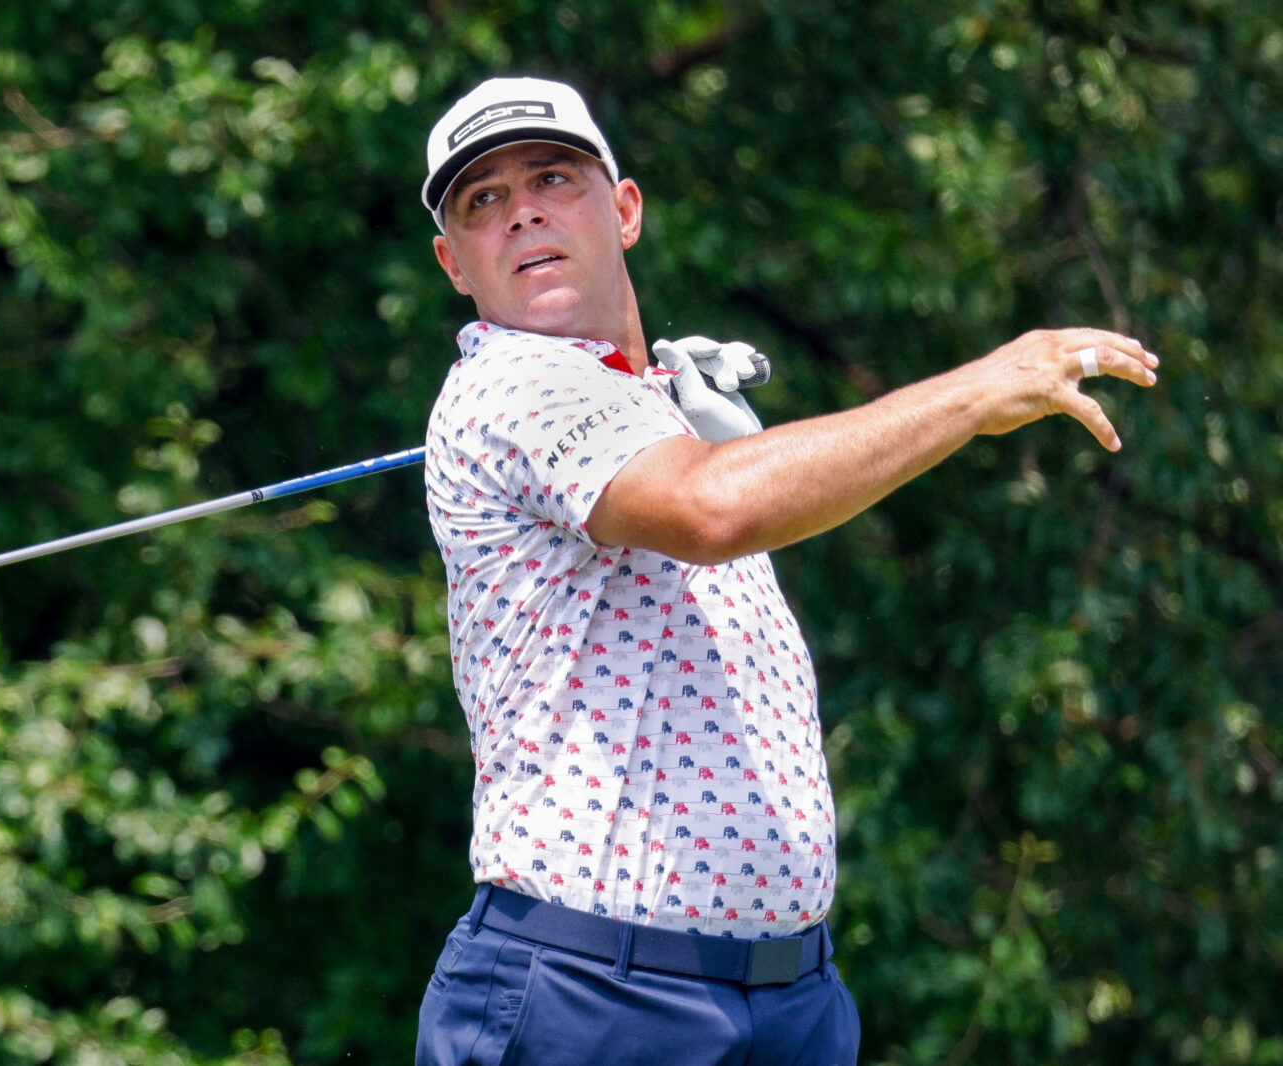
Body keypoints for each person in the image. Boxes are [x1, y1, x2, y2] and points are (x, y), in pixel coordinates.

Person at [414, 76, 1158, 1066]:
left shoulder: (650, 397)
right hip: (593, 999)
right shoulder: (513, 384)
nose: (522, 211)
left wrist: (665, 397)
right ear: (452, 262)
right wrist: (978, 389)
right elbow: (713, 508)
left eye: (552, 177)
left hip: (787, 998)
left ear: (624, 209)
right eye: (482, 202)